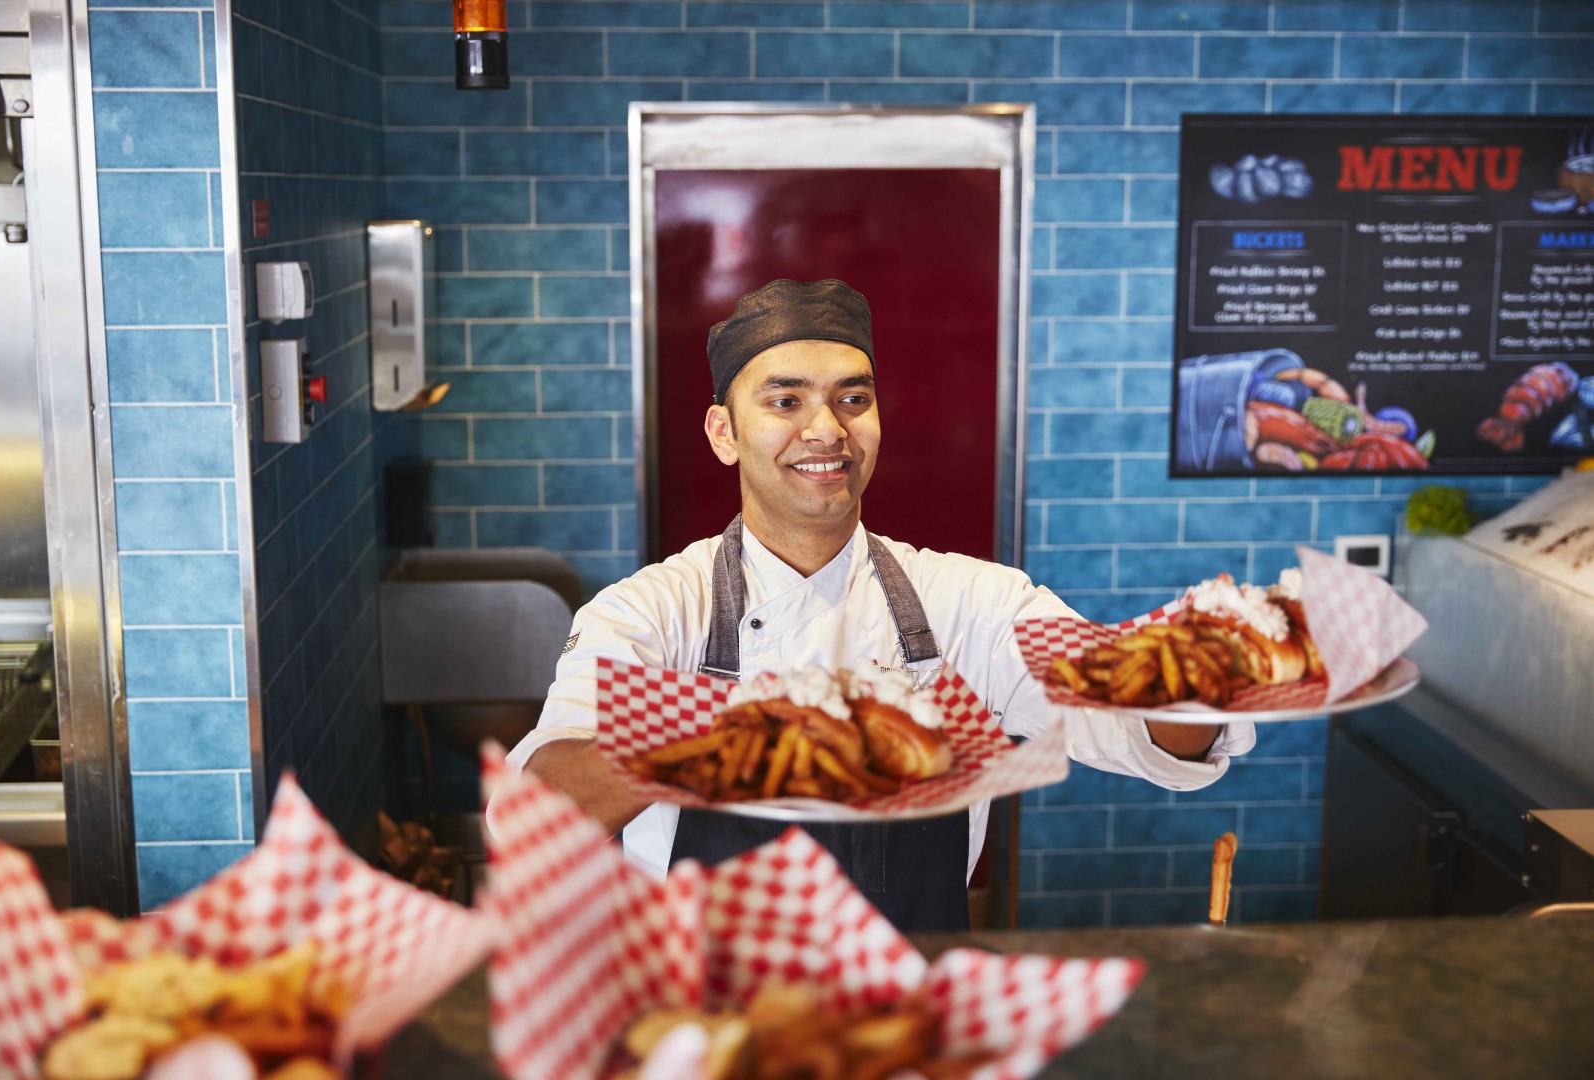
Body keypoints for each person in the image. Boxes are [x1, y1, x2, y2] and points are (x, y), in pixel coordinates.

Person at [504, 278, 1254, 931]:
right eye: (786, 400)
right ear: (723, 433)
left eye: (852, 399)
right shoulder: (650, 614)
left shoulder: (973, 605)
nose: (826, 429)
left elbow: (1138, 729)